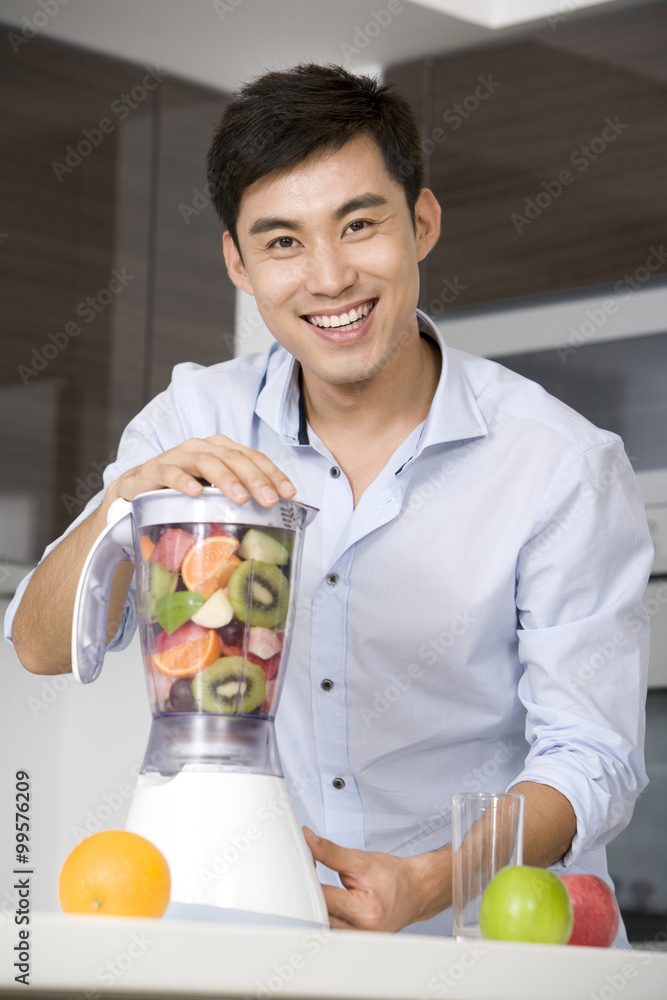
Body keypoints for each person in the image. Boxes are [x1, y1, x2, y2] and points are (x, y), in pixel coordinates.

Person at [6, 64, 653, 942]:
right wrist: (124, 504)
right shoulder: (194, 420)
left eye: (359, 225)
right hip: (272, 939)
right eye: (282, 242)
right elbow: (41, 647)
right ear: (238, 262)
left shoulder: (558, 464)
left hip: (489, 952)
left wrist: (429, 883)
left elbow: (593, 760)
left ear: (420, 222)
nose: (329, 276)